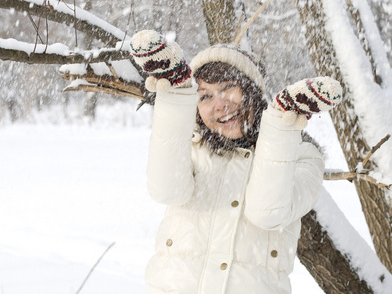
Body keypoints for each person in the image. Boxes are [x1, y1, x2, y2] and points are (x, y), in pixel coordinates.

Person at [130, 30, 342, 294]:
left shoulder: (302, 156)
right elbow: (165, 188)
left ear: (253, 90)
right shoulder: (193, 146)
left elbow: (267, 212)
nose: (219, 104)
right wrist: (174, 95)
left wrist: (281, 123)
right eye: (205, 96)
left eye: (229, 87)